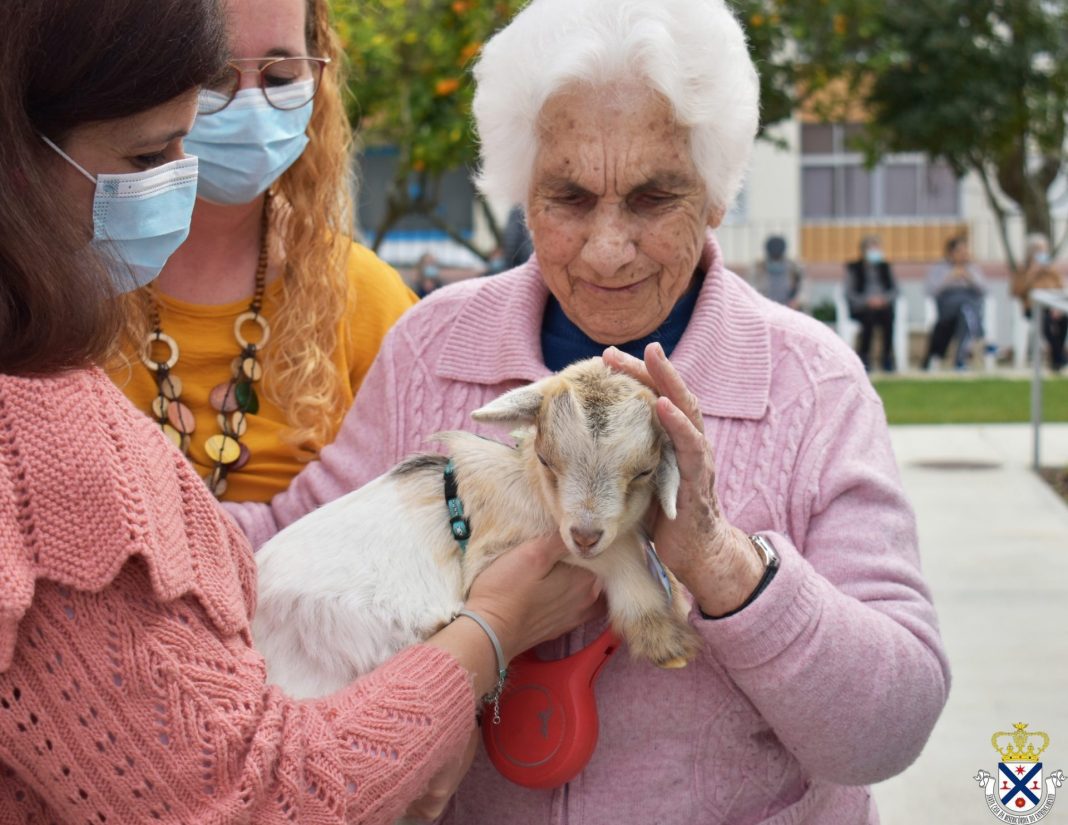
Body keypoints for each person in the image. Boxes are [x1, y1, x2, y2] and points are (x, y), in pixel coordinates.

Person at [225, 1, 950, 822]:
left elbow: (889, 727)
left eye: (653, 199)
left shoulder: (810, 384)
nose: (608, 248)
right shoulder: (435, 347)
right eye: (567, 197)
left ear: (715, 197)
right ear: (520, 195)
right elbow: (293, 544)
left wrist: (720, 561)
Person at [0, 1, 600, 821]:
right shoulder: (45, 441)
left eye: (278, 76)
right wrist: (488, 631)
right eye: (152, 149)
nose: (188, 169)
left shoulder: (376, 305)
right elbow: (259, 795)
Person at [109, 0, 417, 502]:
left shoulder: (371, 300)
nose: (249, 103)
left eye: (280, 78)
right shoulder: (50, 294)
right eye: (212, 77)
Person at [923, 235, 988, 371]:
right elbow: (930, 290)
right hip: (948, 307)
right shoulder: (940, 268)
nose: (964, 254)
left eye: (965, 251)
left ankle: (960, 359)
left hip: (968, 306)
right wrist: (949, 277)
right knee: (967, 309)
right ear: (950, 253)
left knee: (966, 311)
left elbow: (984, 290)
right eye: (960, 251)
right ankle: (979, 337)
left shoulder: (972, 268)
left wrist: (969, 278)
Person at [1012, 234, 1067, 373]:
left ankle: (1057, 357)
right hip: (1032, 308)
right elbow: (1017, 291)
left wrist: (1057, 307)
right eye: (1037, 250)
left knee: (1064, 318)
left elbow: (1061, 289)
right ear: (1030, 252)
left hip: (1052, 307)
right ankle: (1058, 357)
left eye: (1043, 250)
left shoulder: (1050, 271)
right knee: (1045, 320)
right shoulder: (1022, 270)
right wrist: (1031, 274)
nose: (1041, 253)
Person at [845, 235, 898, 372]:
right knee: (869, 319)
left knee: (888, 318)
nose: (875, 252)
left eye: (877, 248)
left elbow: (895, 290)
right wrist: (867, 301)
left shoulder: (885, 268)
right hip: (862, 308)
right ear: (863, 251)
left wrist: (883, 300)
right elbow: (850, 293)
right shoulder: (853, 269)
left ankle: (887, 358)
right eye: (872, 248)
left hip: (883, 306)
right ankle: (864, 357)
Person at [749, 234, 805, 310]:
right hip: (765, 309)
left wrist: (797, 301)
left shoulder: (794, 268)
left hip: (788, 310)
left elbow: (803, 287)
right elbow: (750, 289)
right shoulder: (757, 269)